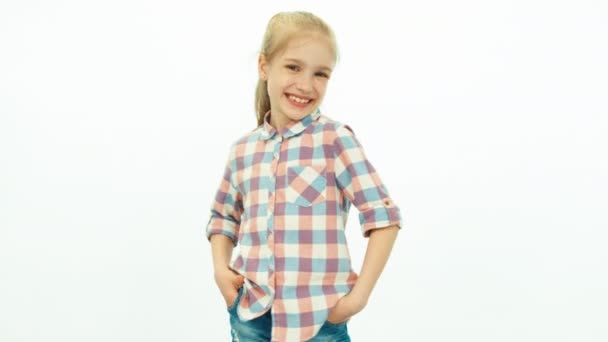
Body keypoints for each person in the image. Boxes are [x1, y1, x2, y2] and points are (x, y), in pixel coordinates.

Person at [205, 11, 404, 342]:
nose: (306, 85)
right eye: (293, 67)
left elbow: (384, 217)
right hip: (252, 318)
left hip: (320, 322)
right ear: (264, 66)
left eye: (321, 73)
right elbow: (223, 217)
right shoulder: (243, 150)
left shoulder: (335, 140)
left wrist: (358, 298)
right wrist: (220, 271)